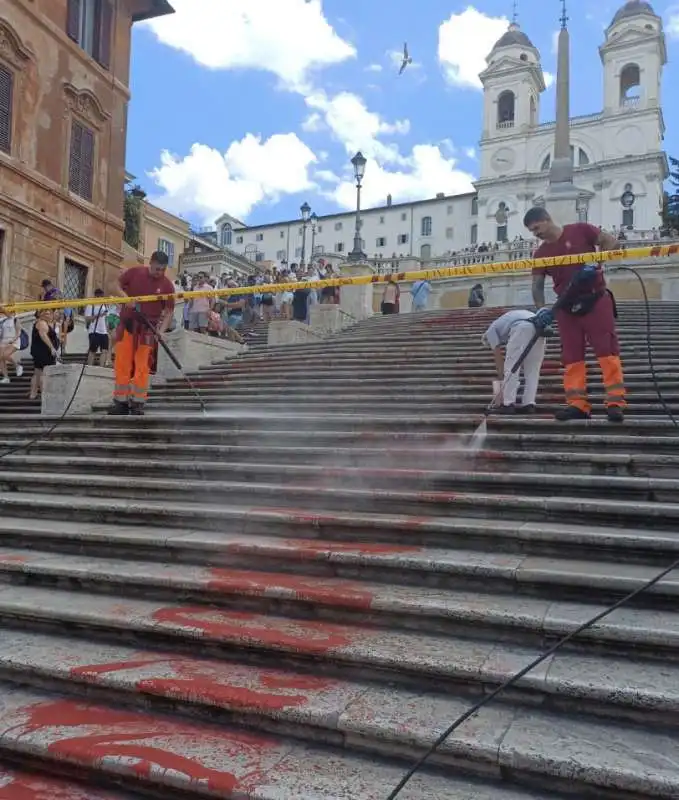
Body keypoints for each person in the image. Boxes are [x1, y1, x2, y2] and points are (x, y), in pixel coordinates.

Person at [524, 207, 625, 423]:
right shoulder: (540, 254)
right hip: (566, 307)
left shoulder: (581, 230)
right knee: (571, 357)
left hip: (595, 299)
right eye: (532, 231)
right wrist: (541, 309)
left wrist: (597, 261)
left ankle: (615, 402)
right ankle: (578, 405)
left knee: (607, 351)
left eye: (537, 228)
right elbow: (537, 285)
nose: (536, 233)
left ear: (547, 219)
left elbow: (611, 242)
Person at [109, 251, 175, 416]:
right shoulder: (135, 272)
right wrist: (125, 298)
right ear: (150, 263)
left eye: (162, 269)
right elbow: (114, 285)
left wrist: (161, 331)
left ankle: (138, 402)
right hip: (128, 326)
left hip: (147, 330)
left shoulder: (167, 285)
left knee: (142, 366)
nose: (159, 272)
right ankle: (121, 401)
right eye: (157, 268)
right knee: (122, 364)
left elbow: (169, 312)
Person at [482, 309, 546, 414]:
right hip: (539, 327)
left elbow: (498, 358)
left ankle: (508, 404)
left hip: (521, 327)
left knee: (511, 367)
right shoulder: (501, 323)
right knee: (533, 370)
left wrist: (501, 377)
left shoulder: (490, 332)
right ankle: (528, 404)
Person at [30, 309, 59, 400]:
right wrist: (52, 348)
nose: (48, 315)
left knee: (38, 373)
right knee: (44, 373)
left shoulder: (42, 323)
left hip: (40, 351)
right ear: (40, 314)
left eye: (49, 313)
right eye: (45, 313)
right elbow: (43, 335)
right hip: (43, 352)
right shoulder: (42, 323)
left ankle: (33, 394)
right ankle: (44, 394)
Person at [84, 289, 110, 367]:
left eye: (102, 296)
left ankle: (101, 367)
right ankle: (89, 367)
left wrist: (107, 330)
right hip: (94, 331)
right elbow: (88, 318)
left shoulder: (104, 305)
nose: (100, 298)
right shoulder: (91, 305)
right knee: (93, 350)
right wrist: (99, 315)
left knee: (104, 350)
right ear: (95, 296)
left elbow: (106, 319)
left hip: (104, 331)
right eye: (99, 296)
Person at [0, 305, 24, 384]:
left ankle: (17, 365)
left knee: (5, 355)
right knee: (1, 359)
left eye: (9, 311)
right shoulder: (3, 320)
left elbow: (18, 332)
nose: (7, 312)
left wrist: (13, 339)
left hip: (14, 341)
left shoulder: (16, 319)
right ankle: (6, 377)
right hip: (3, 342)